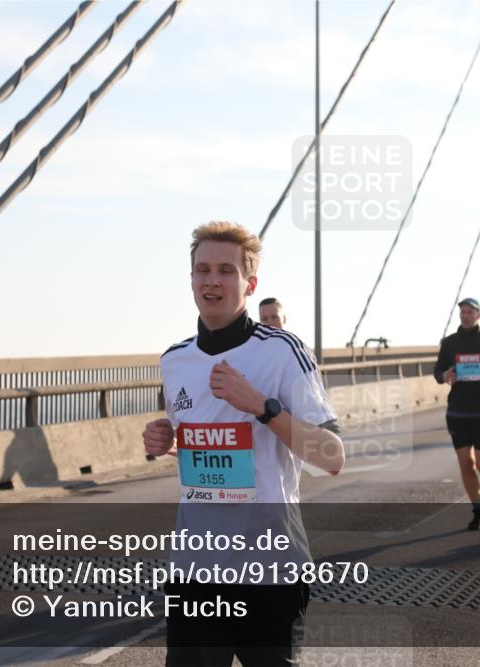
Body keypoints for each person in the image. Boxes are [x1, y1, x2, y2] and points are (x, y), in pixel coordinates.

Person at [142, 221, 345, 666]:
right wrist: (163, 440)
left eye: (226, 271)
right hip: (195, 569)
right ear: (191, 278)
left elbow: (331, 457)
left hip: (269, 569)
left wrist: (261, 406)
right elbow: (201, 445)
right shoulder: (174, 360)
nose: (212, 280)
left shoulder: (283, 351)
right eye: (203, 270)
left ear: (250, 283)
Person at [435, 299, 480, 530]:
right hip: (457, 410)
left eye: (469, 312)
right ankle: (478, 510)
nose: (465, 316)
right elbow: (437, 371)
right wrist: (445, 374)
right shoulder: (449, 343)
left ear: (478, 315)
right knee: (465, 462)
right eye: (462, 312)